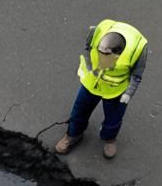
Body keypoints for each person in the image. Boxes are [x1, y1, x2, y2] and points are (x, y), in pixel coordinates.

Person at [54, 19, 148, 160]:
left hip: (115, 90)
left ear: (118, 53)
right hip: (92, 82)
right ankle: (73, 134)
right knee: (79, 110)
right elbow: (87, 48)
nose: (100, 57)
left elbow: (137, 75)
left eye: (106, 55)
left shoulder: (138, 48)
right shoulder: (98, 30)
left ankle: (109, 139)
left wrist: (128, 94)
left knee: (113, 118)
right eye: (100, 52)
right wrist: (88, 68)